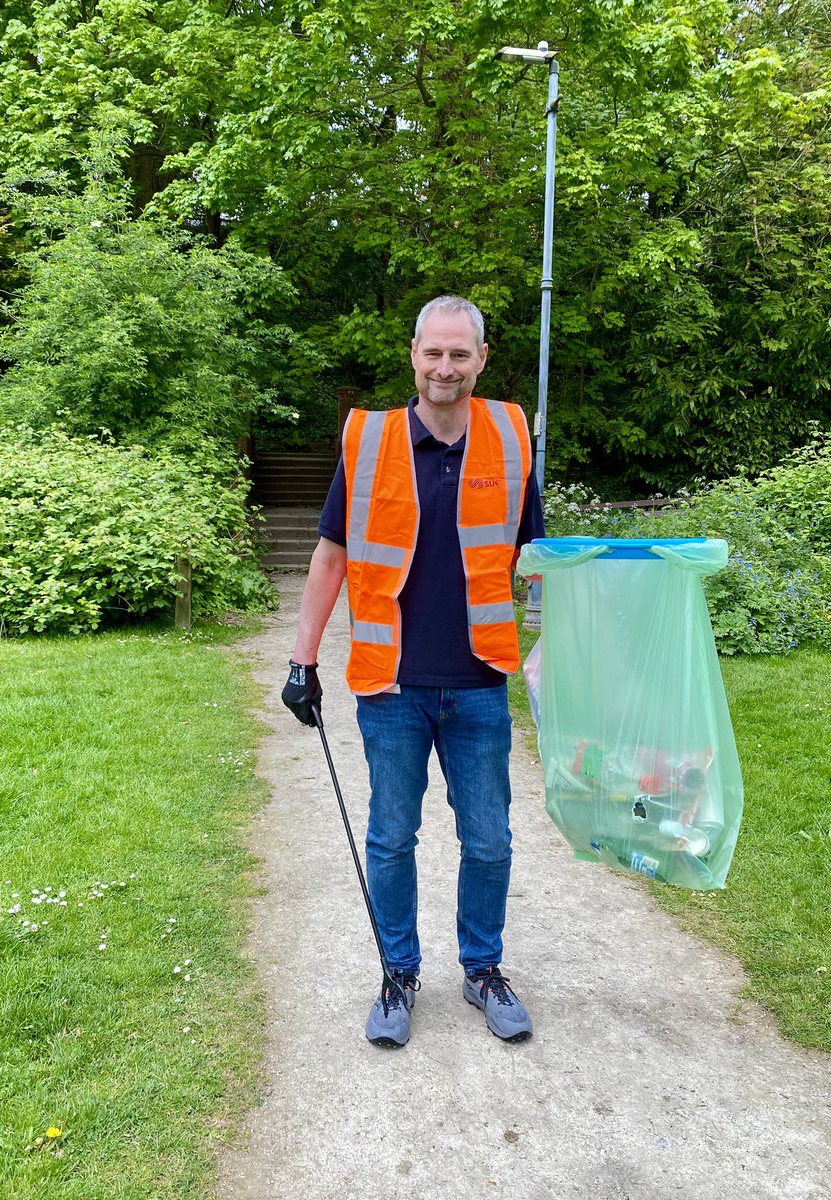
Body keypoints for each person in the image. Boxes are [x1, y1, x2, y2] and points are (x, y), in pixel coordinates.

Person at [281, 295, 545, 1048]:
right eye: (434, 353)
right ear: (413, 353)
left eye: (460, 354)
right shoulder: (369, 442)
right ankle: (398, 973)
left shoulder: (509, 438)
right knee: (392, 838)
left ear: (481, 360)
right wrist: (303, 659)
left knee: (489, 840)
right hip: (391, 687)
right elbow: (331, 554)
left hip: (479, 684)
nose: (446, 367)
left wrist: (554, 641)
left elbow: (537, 560)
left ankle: (483, 968)